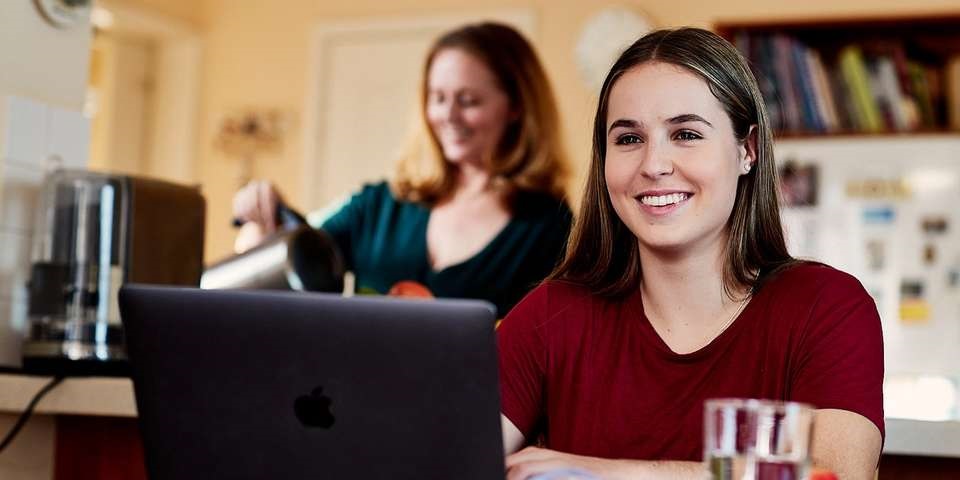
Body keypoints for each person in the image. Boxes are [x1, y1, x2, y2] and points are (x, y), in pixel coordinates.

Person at [498, 27, 883, 480]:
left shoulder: (827, 306)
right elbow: (440, 458)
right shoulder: (551, 316)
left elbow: (832, 477)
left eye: (685, 134)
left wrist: (603, 473)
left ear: (747, 150)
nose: (654, 165)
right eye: (627, 139)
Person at [232, 22, 572, 316]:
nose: (448, 116)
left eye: (468, 100)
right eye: (438, 98)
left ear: (516, 106)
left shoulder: (549, 227)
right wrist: (264, 222)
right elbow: (290, 262)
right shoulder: (380, 205)